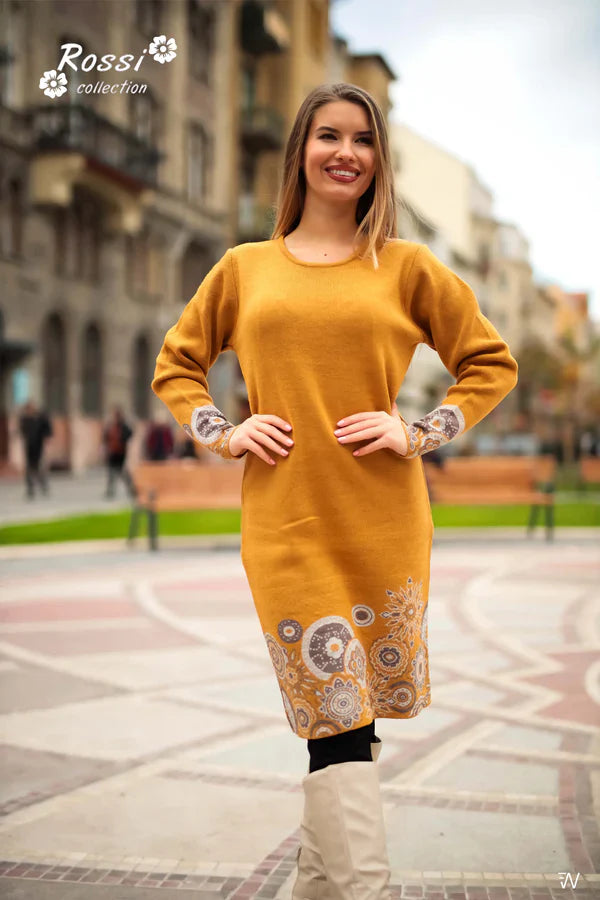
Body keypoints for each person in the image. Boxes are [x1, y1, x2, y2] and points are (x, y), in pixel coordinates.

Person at [151, 83, 519, 897]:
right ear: (301, 153)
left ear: (378, 158)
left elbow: (490, 363)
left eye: (362, 138)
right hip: (286, 526)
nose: (345, 152)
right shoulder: (243, 269)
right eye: (328, 136)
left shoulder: (409, 267)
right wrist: (225, 430)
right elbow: (177, 364)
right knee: (335, 719)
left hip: (384, 523)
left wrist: (418, 431)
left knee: (347, 726)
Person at [19, 400, 52, 499]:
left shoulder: (41, 417)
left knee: (39, 467)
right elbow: (22, 430)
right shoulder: (24, 418)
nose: (29, 410)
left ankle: (43, 485)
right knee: (29, 467)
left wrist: (47, 438)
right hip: (29, 446)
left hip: (39, 446)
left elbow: (47, 429)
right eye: (28, 408)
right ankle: (30, 489)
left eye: (31, 408)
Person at [102, 406, 135, 498]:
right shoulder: (111, 426)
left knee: (122, 472)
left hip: (120, 452)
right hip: (112, 452)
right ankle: (110, 491)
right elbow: (105, 437)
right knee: (111, 472)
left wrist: (122, 440)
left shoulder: (123, 426)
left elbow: (130, 434)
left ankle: (131, 489)